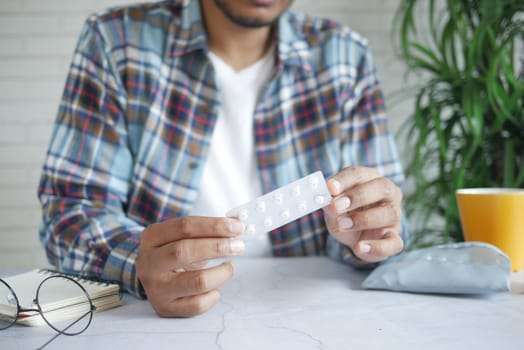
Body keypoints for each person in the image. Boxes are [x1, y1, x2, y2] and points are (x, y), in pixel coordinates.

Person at [38, 0, 409, 318]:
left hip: (312, 315)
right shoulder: (116, 41)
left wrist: (367, 233)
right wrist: (138, 262)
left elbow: (388, 224)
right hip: (154, 323)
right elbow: (71, 212)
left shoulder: (346, 55)